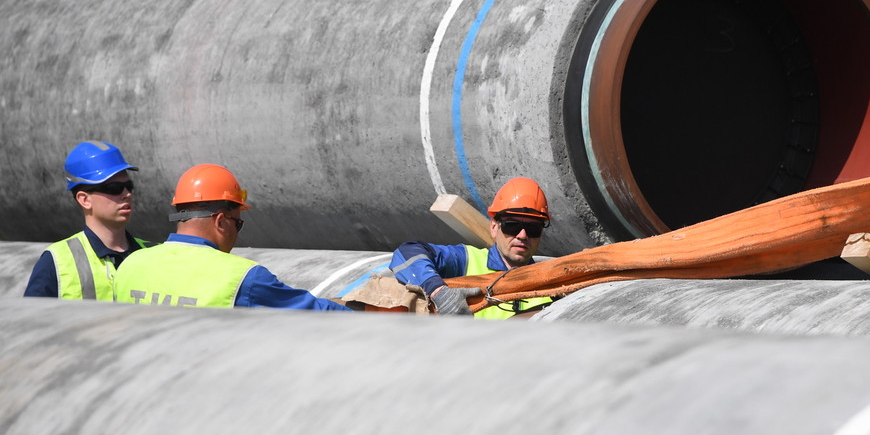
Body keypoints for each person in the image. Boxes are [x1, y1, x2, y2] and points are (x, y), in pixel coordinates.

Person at [114, 163, 352, 311]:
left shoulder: (131, 264)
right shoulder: (242, 278)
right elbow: (317, 315)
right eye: (238, 223)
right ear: (220, 221)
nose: (236, 235)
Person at [391, 177, 555, 319]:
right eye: (512, 226)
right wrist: (437, 291)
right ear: (493, 227)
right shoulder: (466, 260)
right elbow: (406, 253)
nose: (522, 235)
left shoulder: (553, 281)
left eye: (533, 228)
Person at [24, 140, 154, 300]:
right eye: (114, 188)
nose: (127, 194)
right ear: (84, 199)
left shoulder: (153, 254)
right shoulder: (57, 261)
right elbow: (33, 320)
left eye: (129, 186)